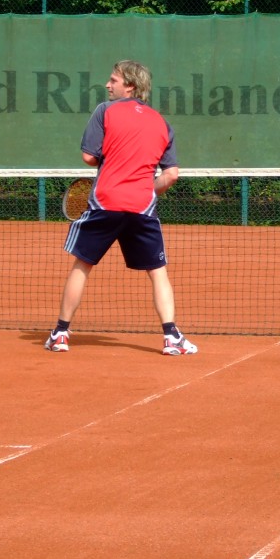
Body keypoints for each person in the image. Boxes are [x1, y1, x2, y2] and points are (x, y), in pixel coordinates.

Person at [44, 60, 198, 355]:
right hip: (142, 207)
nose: (107, 85)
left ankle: (61, 334)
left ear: (130, 85)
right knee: (158, 272)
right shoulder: (163, 124)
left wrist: (112, 161)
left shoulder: (105, 111)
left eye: (113, 80)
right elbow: (171, 174)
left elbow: (89, 158)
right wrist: (145, 189)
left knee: (82, 265)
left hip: (106, 202)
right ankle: (171, 338)